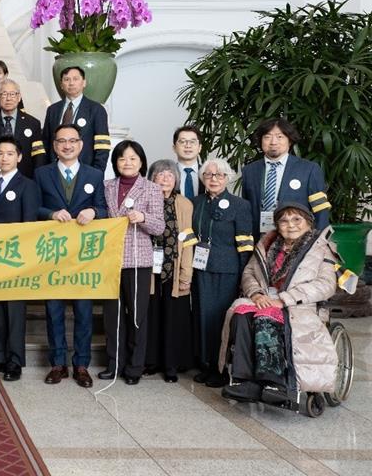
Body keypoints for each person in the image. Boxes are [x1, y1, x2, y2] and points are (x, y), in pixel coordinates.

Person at [220, 202, 340, 403]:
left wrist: (285, 300)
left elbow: (327, 284)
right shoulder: (267, 245)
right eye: (284, 221)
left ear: (308, 223)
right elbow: (249, 272)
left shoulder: (321, 248)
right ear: (277, 225)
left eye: (296, 219)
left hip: (300, 306)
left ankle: (273, 382)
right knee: (241, 314)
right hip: (265, 299)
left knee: (266, 317)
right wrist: (256, 294)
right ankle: (244, 380)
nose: (290, 225)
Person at [33, 123, 108, 388]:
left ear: (81, 144)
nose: (67, 145)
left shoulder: (95, 175)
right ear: (54, 145)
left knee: (83, 311)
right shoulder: (41, 174)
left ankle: (81, 365)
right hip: (52, 254)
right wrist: (50, 214)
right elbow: (33, 207)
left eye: (72, 141)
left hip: (83, 257)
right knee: (53, 309)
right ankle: (57, 364)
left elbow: (103, 207)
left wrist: (94, 213)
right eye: (61, 141)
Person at [100, 140, 165, 385]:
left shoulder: (151, 189)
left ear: (141, 162)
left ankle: (135, 367)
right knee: (112, 316)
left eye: (133, 158)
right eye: (122, 158)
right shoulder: (106, 186)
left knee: (137, 316)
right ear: (115, 163)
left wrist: (143, 216)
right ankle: (114, 363)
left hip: (138, 260)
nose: (127, 163)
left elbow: (159, 226)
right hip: (109, 260)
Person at [189, 157, 253, 387]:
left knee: (219, 319)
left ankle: (221, 368)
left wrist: (245, 276)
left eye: (219, 175)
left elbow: (245, 244)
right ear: (202, 178)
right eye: (208, 175)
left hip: (227, 270)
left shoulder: (240, 205)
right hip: (200, 268)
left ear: (228, 178)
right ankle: (205, 363)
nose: (213, 179)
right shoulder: (194, 203)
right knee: (201, 317)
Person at [0, 136, 39, 382]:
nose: (3, 158)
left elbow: (29, 225)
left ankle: (15, 361)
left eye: (8, 154)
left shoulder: (27, 185)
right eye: (0, 153)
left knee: (14, 311)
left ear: (19, 157)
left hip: (15, 259)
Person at [144, 159, 195, 383]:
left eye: (170, 175)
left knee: (173, 318)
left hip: (173, 270)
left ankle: (171, 365)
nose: (165, 178)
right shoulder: (144, 201)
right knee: (152, 316)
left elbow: (188, 240)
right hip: (150, 270)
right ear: (151, 178)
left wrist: (186, 274)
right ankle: (151, 361)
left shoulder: (185, 204)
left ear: (176, 180)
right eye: (160, 174)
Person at [240, 118, 330, 242]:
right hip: (260, 240)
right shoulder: (249, 171)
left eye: (280, 136)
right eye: (267, 137)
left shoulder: (309, 169)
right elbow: (245, 211)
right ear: (260, 141)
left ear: (290, 140)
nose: (273, 142)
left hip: (298, 240)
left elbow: (321, 210)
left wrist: (319, 241)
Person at [0, 78, 47, 186]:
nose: (8, 98)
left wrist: (36, 182)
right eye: (4, 94)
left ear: (19, 97)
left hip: (24, 179)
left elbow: (38, 156)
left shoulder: (33, 123)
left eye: (12, 94)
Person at [42, 66, 110, 171]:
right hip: (54, 171)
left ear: (84, 83)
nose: (71, 83)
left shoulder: (96, 109)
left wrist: (97, 173)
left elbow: (102, 147)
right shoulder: (53, 110)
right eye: (66, 79)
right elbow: (46, 142)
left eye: (75, 79)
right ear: (61, 84)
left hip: (85, 171)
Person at [173, 125, 204, 199]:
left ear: (200, 148)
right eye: (182, 141)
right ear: (174, 148)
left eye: (192, 142)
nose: (188, 145)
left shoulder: (208, 174)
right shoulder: (168, 175)